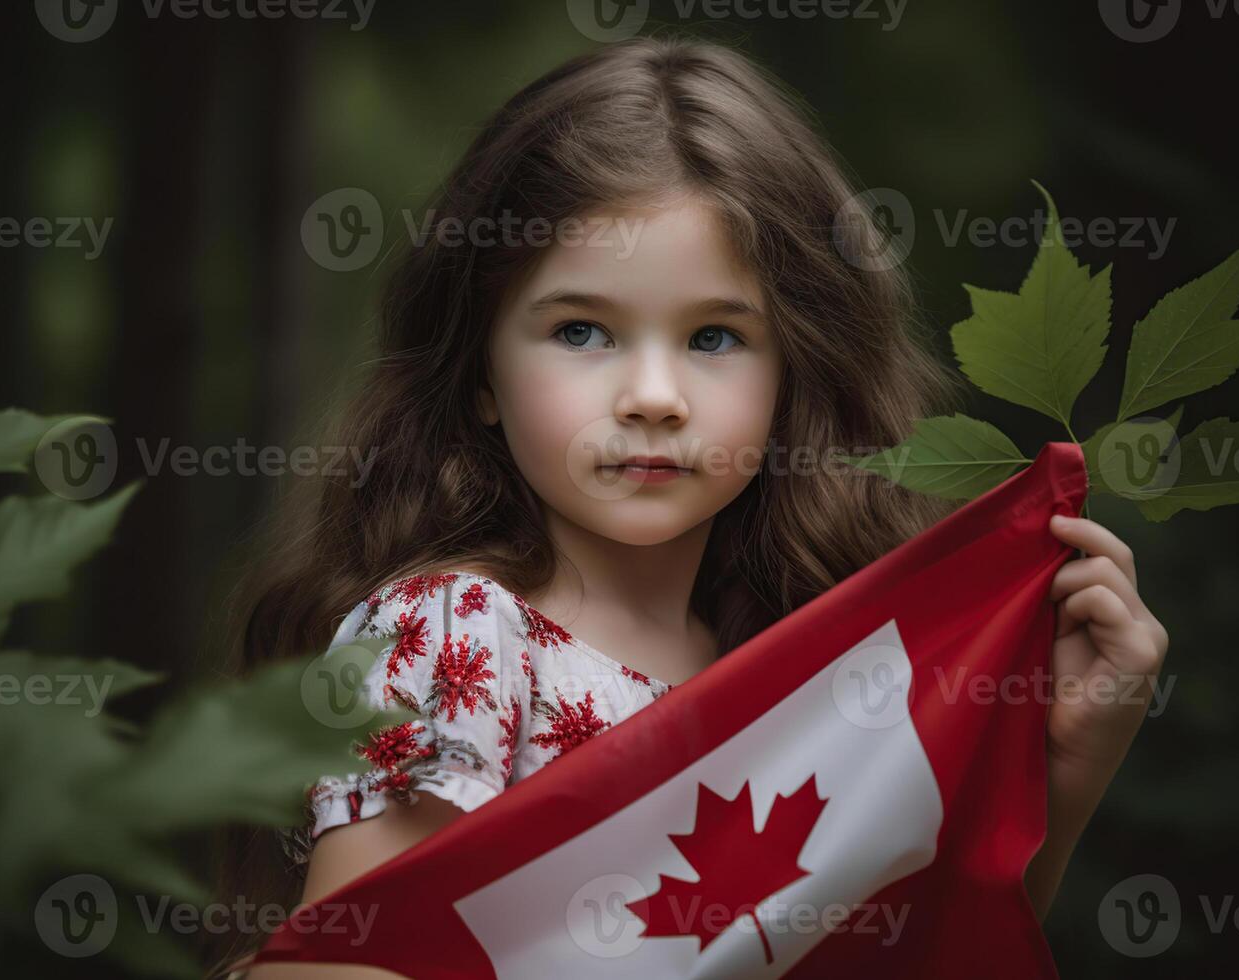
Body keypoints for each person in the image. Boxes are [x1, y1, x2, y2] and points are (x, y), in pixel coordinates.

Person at [231, 34, 1168, 979]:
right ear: (479, 370)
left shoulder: (811, 683)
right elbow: (341, 961)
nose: (652, 395)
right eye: (582, 331)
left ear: (793, 374)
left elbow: (925, 949)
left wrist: (1067, 767)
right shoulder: (455, 635)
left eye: (714, 336)